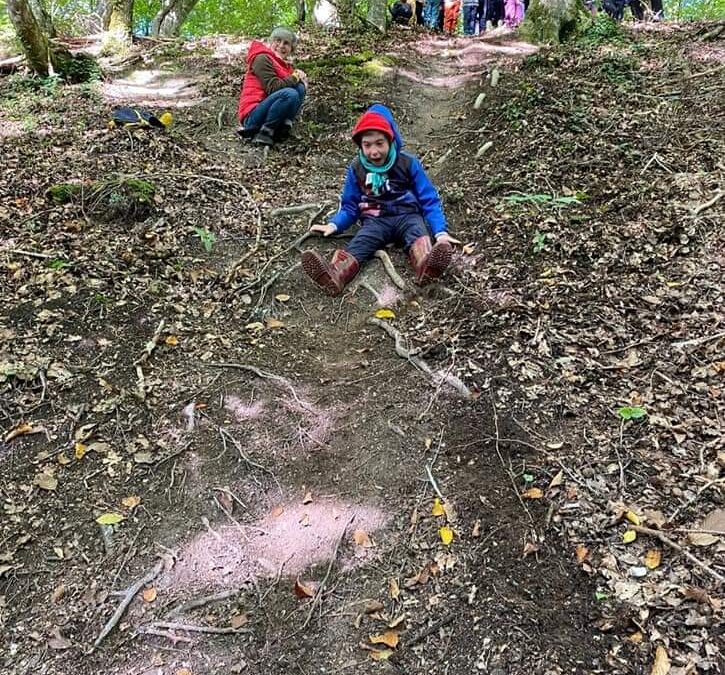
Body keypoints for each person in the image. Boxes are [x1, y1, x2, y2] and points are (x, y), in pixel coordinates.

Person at [301, 105, 459, 296]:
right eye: (367, 145)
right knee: (361, 242)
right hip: (375, 220)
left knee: (418, 234)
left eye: (379, 143)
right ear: (360, 145)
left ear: (390, 141)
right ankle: (335, 276)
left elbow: (429, 200)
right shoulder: (357, 168)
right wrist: (334, 224)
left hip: (407, 215)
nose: (374, 151)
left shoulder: (408, 163)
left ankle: (427, 266)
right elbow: (350, 205)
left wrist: (440, 232)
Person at [236, 27, 307, 147]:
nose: (281, 45)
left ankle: (283, 126)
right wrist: (295, 77)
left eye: (286, 43)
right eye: (278, 41)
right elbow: (272, 88)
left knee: (299, 88)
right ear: (271, 42)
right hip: (252, 116)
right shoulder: (262, 58)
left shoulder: (285, 67)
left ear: (291, 49)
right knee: (290, 93)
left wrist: (301, 81)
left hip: (266, 110)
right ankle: (264, 132)